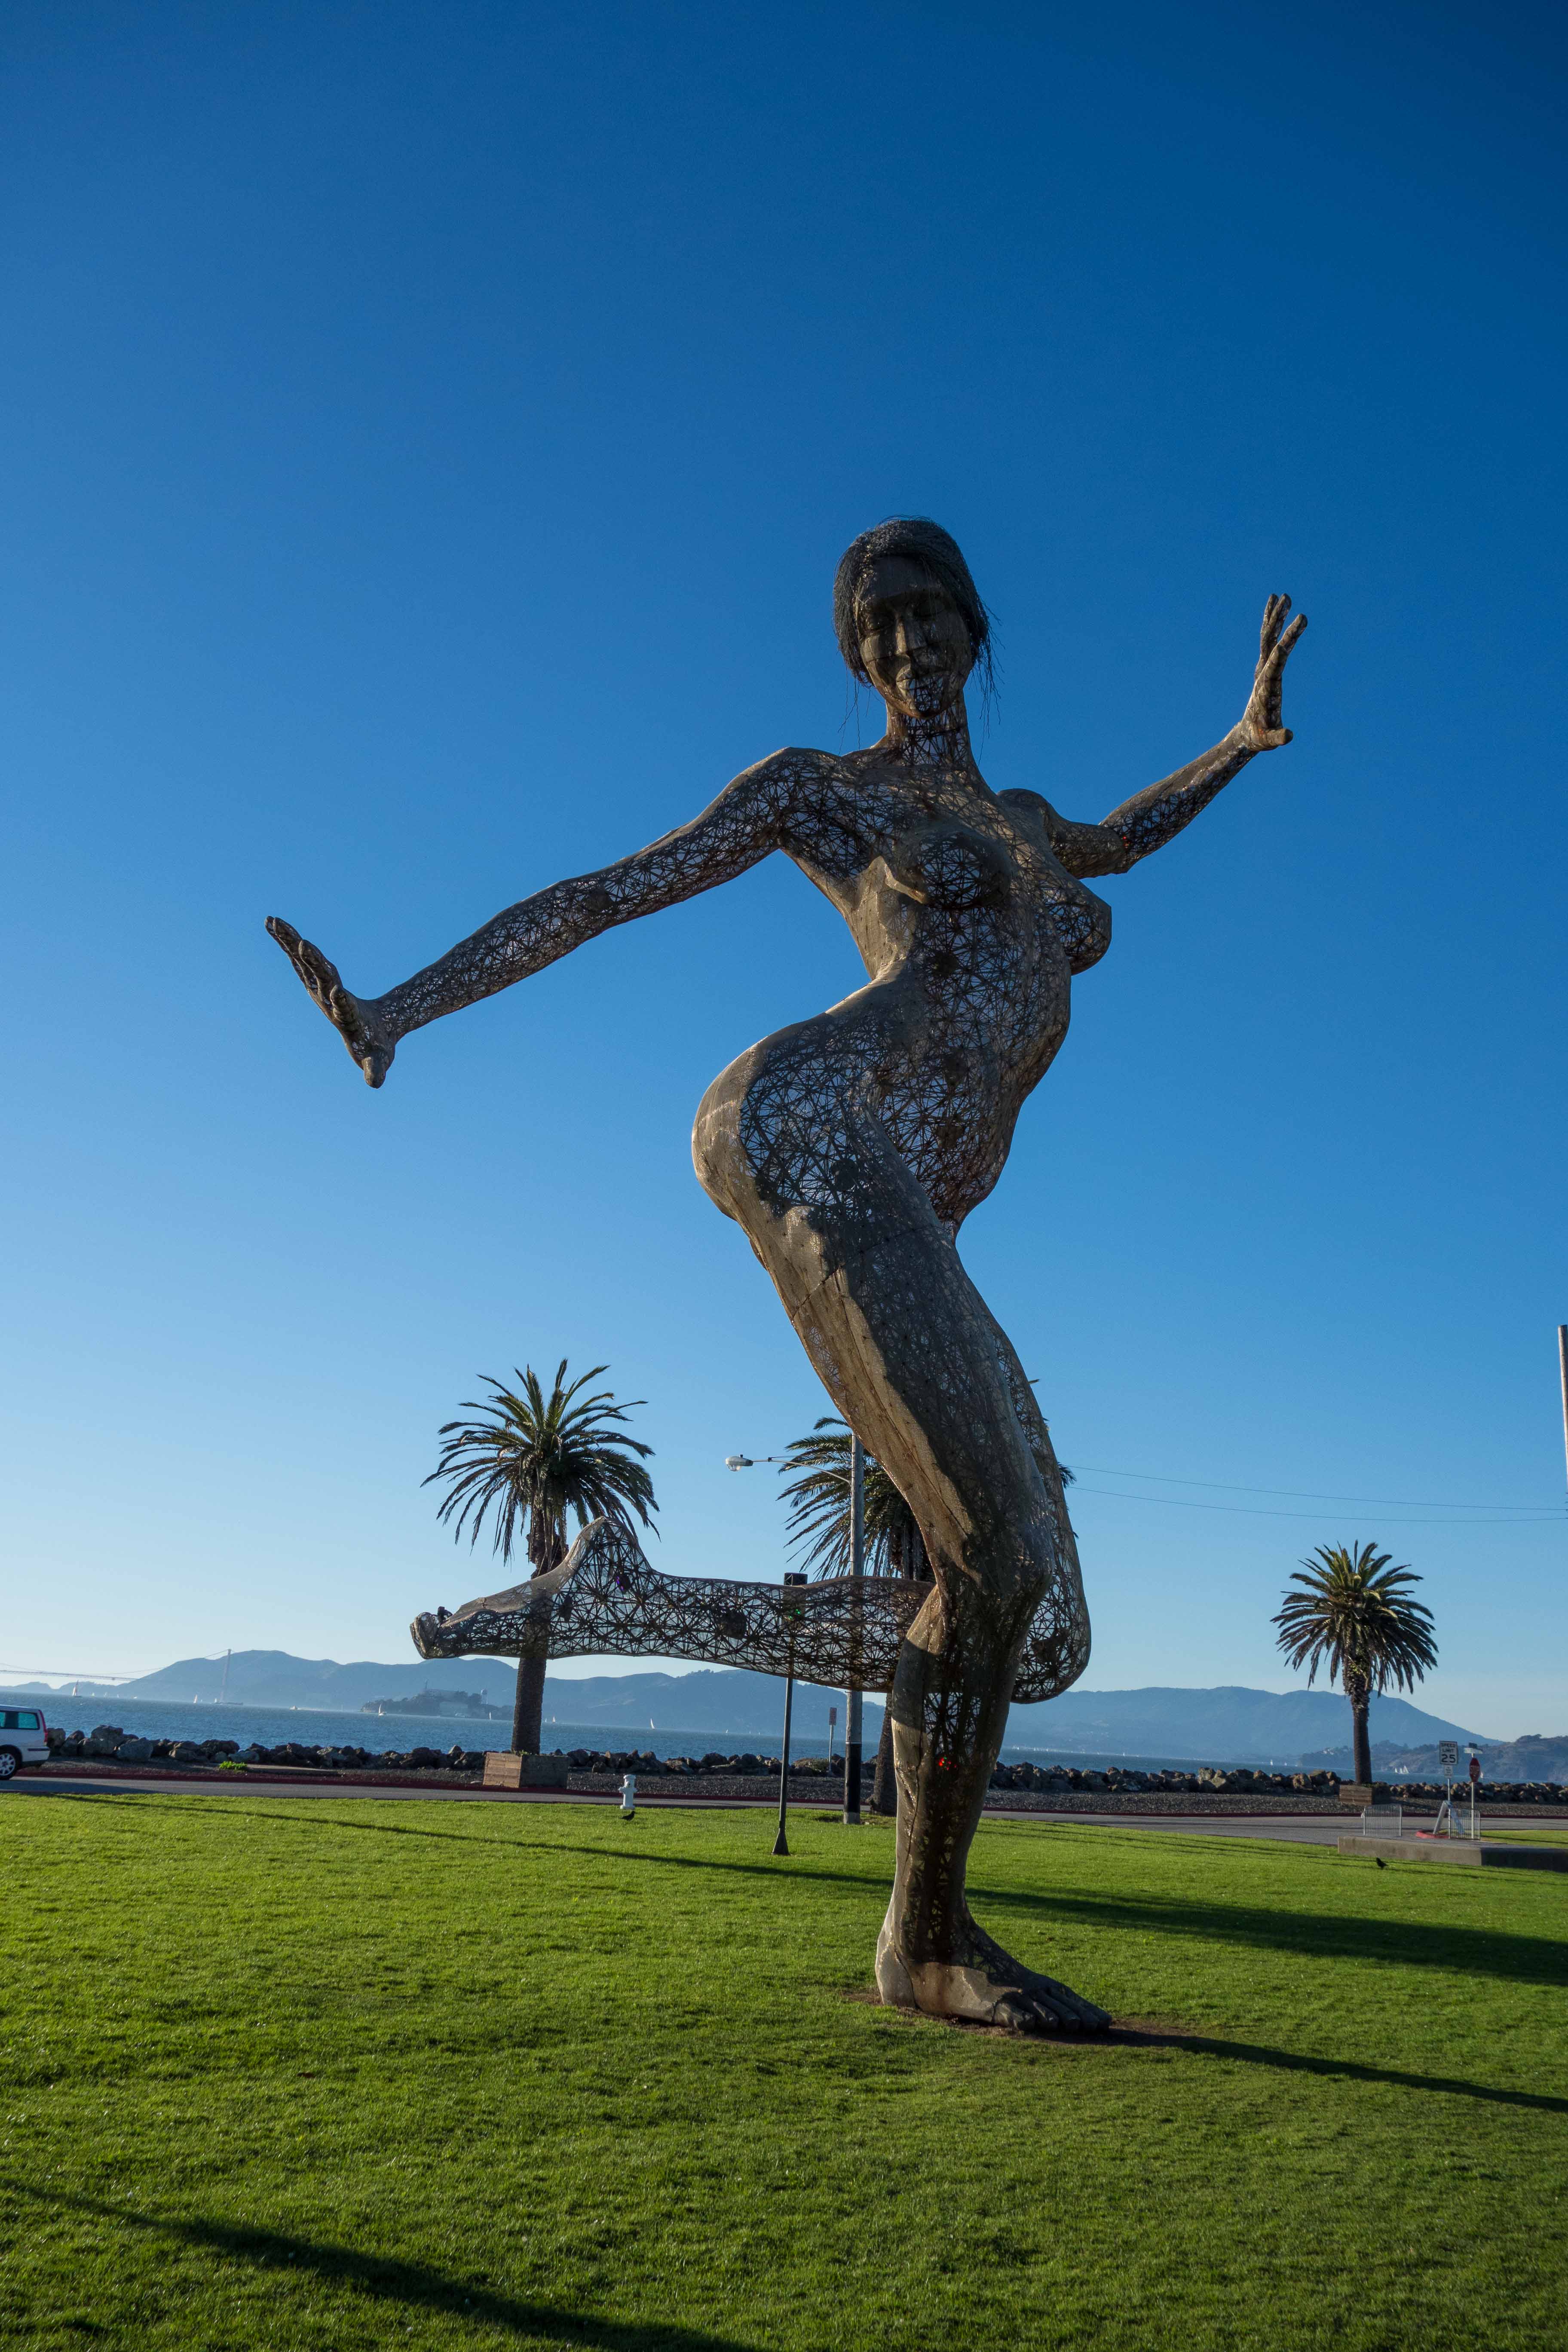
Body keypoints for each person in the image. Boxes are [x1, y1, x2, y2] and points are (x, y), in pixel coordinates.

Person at [270, 518, 1305, 2030]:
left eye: (927, 614)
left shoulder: (1022, 818)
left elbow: (1129, 836)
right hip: (813, 1126)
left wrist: (1241, 739)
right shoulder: (827, 791)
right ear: (857, 658)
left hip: (914, 1211)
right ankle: (927, 1942)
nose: (905, 644)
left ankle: (634, 1602)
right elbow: (616, 889)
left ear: (974, 626)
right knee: (994, 1561)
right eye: (876, 628)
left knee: (1043, 1629)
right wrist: (399, 1009)